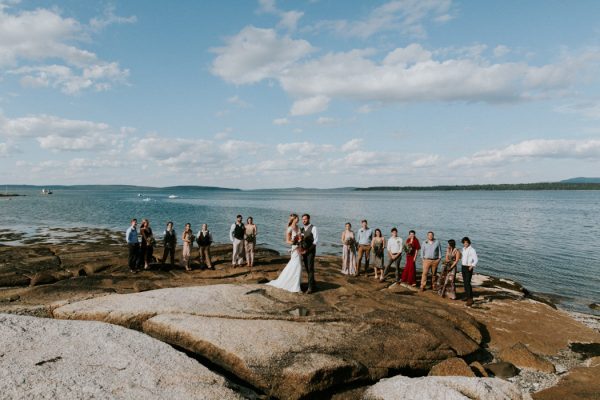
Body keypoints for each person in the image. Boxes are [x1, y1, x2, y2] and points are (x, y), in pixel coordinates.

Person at [267, 214, 302, 293]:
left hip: (299, 248)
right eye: (297, 218)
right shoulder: (289, 228)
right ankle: (294, 286)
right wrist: (294, 242)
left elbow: (300, 237)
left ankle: (295, 283)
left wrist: (300, 240)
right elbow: (287, 241)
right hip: (294, 248)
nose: (298, 219)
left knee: (297, 265)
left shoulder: (298, 227)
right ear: (294, 219)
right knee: (297, 265)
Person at [300, 213, 318, 293]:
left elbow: (315, 242)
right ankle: (312, 283)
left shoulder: (314, 228)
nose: (304, 220)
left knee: (310, 269)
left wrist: (307, 250)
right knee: (307, 268)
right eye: (303, 219)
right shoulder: (301, 229)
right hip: (303, 252)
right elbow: (300, 241)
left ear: (309, 219)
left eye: (305, 219)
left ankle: (310, 288)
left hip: (310, 251)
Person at [461, 237, 478, 307]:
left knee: (467, 283)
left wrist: (472, 265)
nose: (465, 244)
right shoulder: (463, 249)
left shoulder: (472, 250)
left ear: (469, 243)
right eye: (464, 242)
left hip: (469, 268)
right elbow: (463, 258)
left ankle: (470, 299)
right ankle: (467, 296)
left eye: (466, 242)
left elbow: (476, 259)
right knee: (465, 283)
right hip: (463, 267)